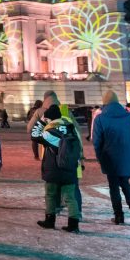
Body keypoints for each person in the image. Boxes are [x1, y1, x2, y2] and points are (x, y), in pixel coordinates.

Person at [31, 91, 81, 232]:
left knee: (51, 195)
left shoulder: (50, 131)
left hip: (53, 168)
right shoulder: (70, 128)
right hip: (70, 168)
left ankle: (50, 220)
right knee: (70, 197)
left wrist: (41, 120)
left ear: (49, 118)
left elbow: (34, 136)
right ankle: (74, 224)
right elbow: (79, 144)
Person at [93, 91, 130, 225]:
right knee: (125, 183)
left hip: (109, 158)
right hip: (127, 156)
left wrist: (100, 158)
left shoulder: (100, 119)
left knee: (114, 187)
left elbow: (97, 142)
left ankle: (119, 216)